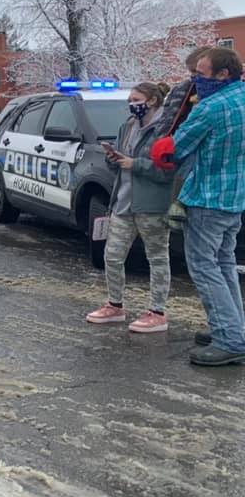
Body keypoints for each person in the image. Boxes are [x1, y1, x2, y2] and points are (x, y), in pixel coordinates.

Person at [152, 47, 245, 366]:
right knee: (224, 263)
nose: (195, 80)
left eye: (200, 74)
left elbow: (175, 149)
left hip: (207, 197)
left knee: (205, 267)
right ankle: (232, 327)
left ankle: (229, 339)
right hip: (235, 197)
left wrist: (161, 148)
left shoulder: (210, 107)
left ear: (222, 74)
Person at [86, 83, 174, 333]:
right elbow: (118, 164)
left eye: (136, 99)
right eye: (130, 100)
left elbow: (168, 171)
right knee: (112, 256)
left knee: (157, 258)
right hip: (123, 202)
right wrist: (112, 159)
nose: (131, 104)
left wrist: (135, 164)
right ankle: (115, 305)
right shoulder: (127, 126)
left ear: (153, 100)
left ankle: (157, 312)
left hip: (152, 205)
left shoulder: (166, 129)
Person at [154, 46, 211, 228]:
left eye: (197, 72)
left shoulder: (216, 96)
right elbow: (166, 116)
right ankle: (176, 208)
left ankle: (178, 205)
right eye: (191, 72)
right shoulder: (182, 89)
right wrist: (161, 139)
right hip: (177, 141)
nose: (193, 76)